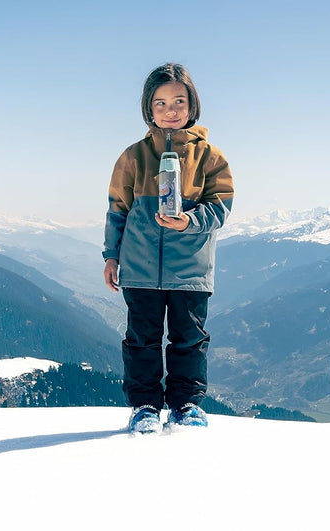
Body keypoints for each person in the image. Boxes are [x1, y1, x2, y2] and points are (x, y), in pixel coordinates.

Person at [103, 63, 235, 434]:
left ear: (193, 104)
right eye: (160, 103)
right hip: (139, 267)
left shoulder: (211, 157)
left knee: (188, 340)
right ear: (148, 108)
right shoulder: (132, 157)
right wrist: (111, 256)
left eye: (179, 100)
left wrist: (190, 221)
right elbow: (117, 211)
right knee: (142, 340)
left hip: (190, 269)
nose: (170, 110)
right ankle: (145, 405)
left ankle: (186, 405)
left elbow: (221, 206)